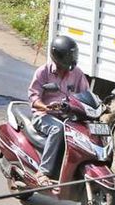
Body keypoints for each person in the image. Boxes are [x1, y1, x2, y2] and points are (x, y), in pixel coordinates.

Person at [28, 35, 89, 187]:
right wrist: (45, 107)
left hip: (69, 116)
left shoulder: (77, 73)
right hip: (44, 116)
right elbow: (33, 97)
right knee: (58, 129)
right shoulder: (43, 72)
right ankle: (43, 172)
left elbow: (86, 94)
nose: (71, 58)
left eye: (72, 54)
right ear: (58, 55)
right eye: (68, 55)